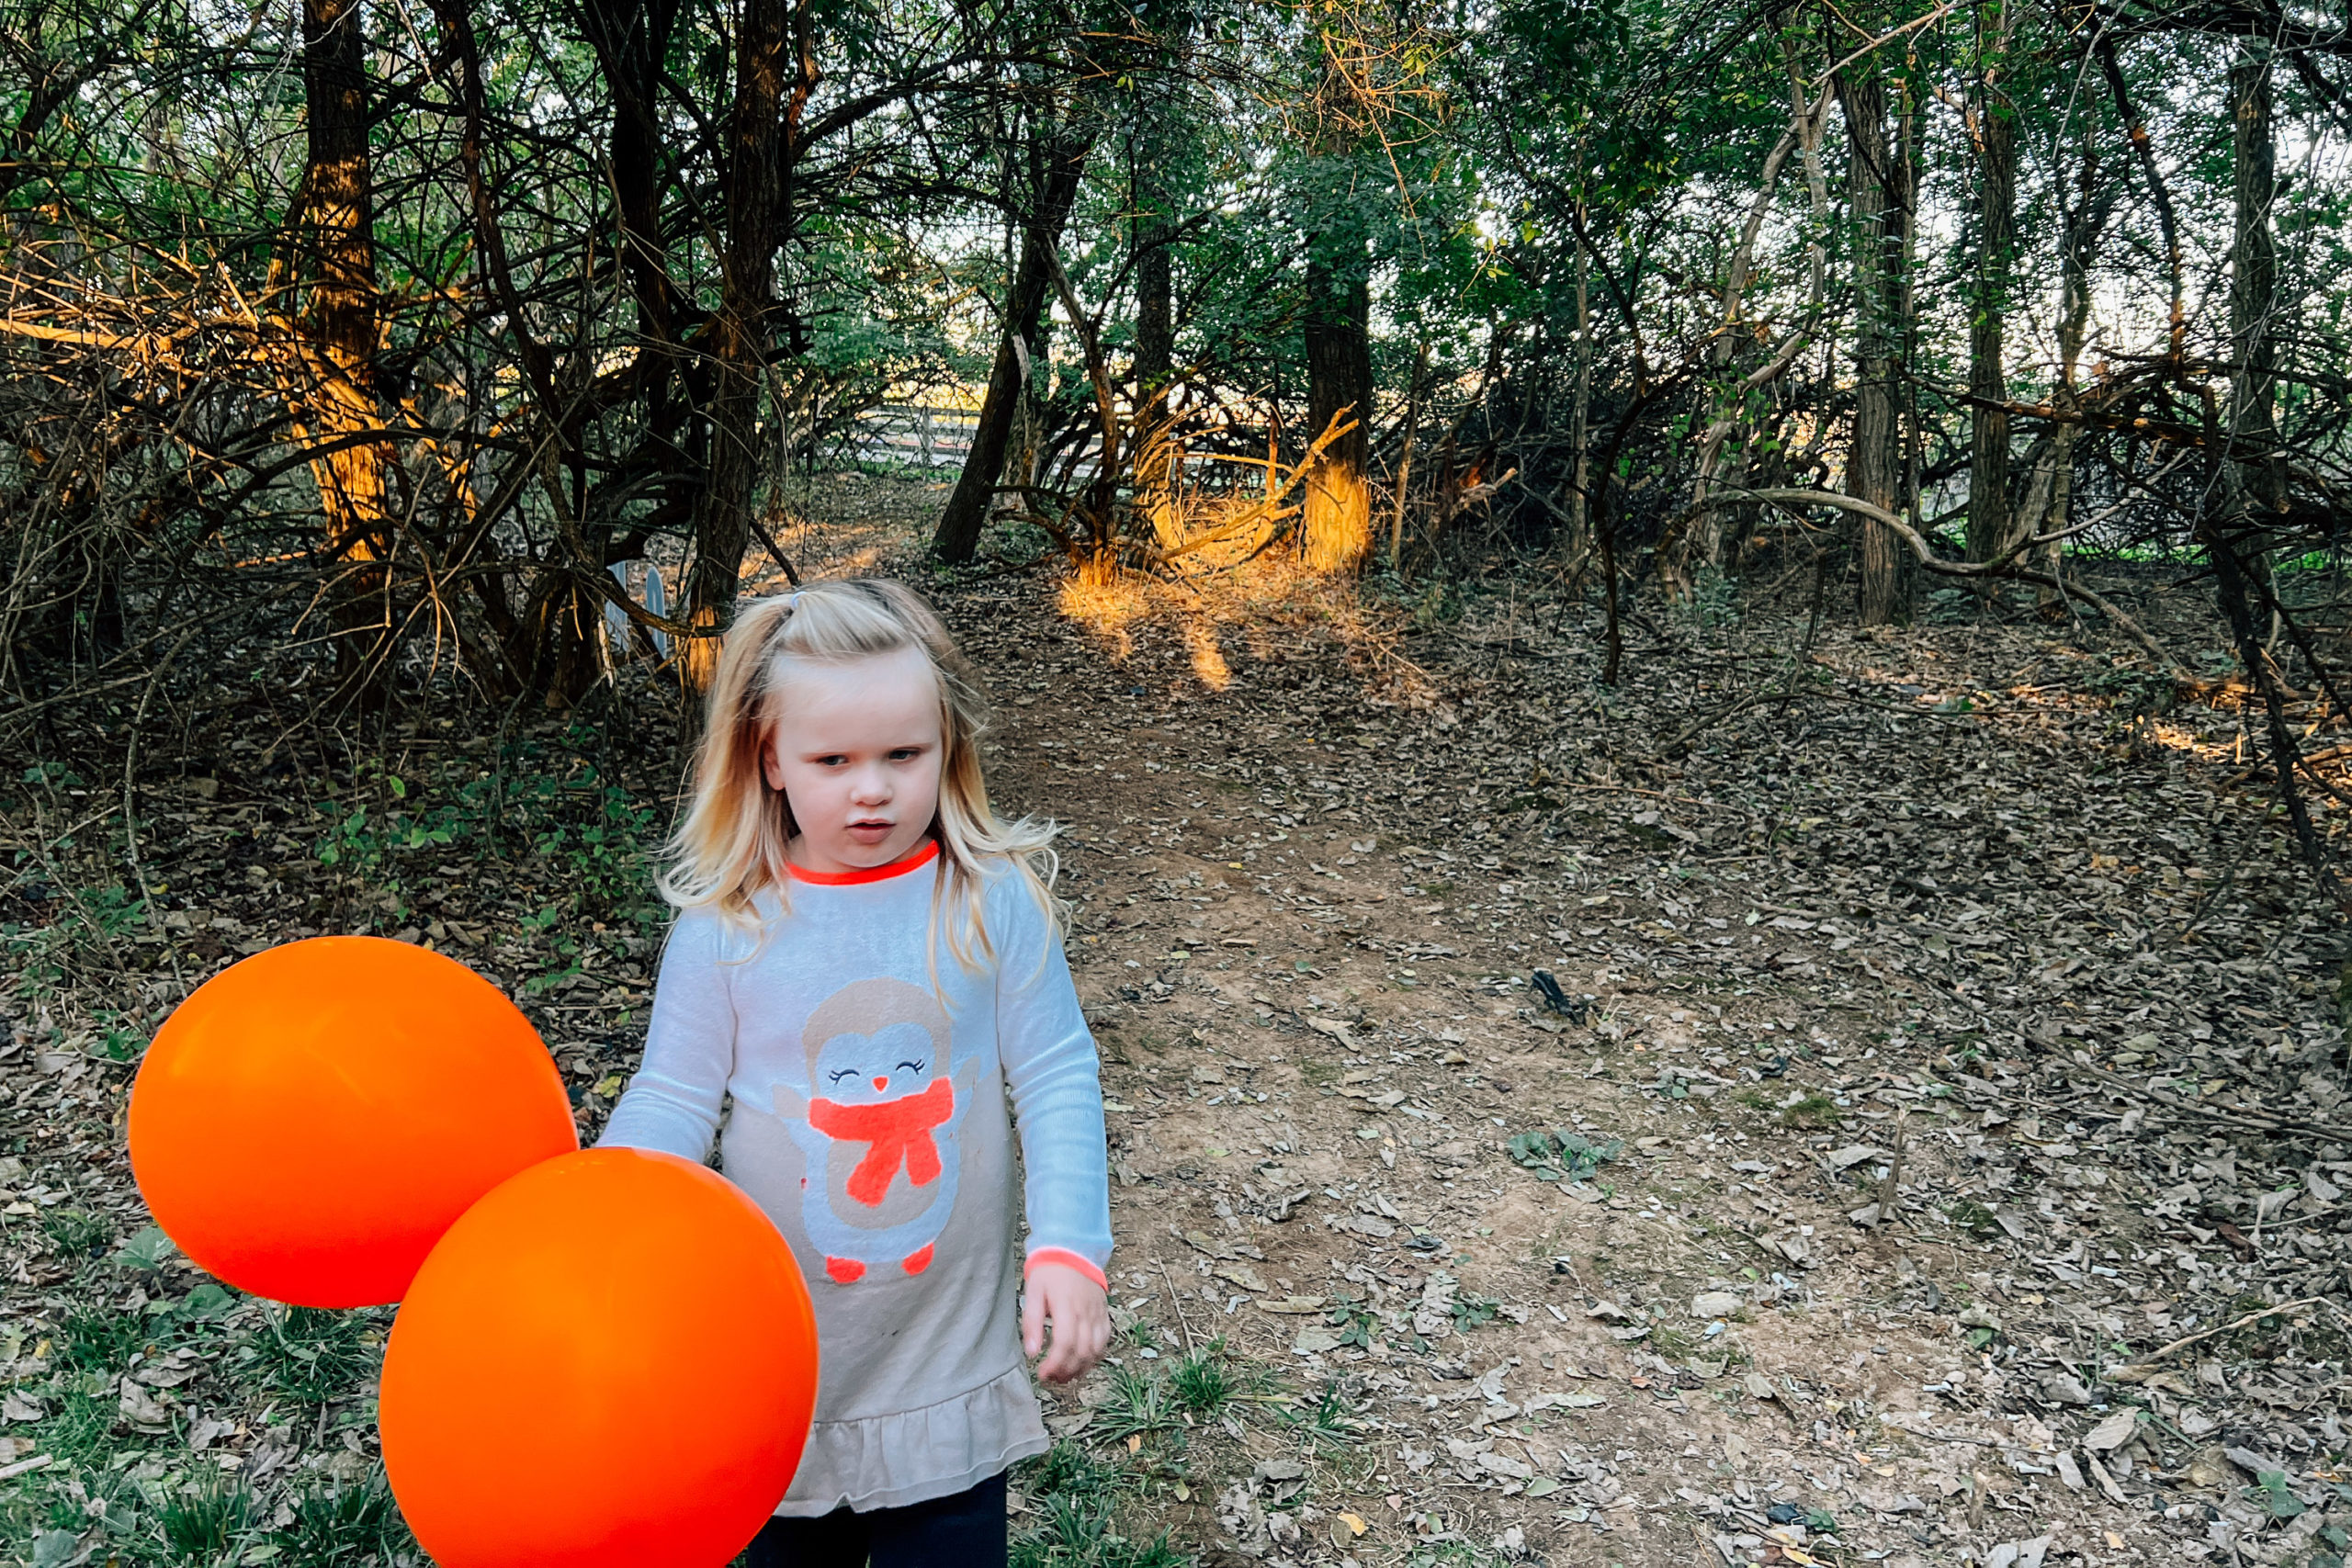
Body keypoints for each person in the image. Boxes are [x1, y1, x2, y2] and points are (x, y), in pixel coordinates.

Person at [599, 580, 1112, 1566]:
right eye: (832, 760)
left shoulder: (986, 902)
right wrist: (610, 1232)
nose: (870, 788)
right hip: (778, 1362)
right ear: (770, 759)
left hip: (941, 1356)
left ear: (946, 749)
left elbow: (1054, 1072)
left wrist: (1068, 1250)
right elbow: (670, 1097)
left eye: (902, 755)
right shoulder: (728, 926)